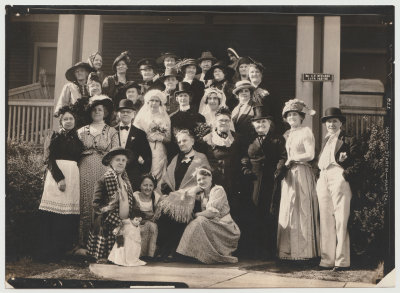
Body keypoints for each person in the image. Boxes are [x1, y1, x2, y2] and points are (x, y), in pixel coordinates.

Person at [155, 129, 210, 261]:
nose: (181, 143)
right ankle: (162, 249)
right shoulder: (176, 158)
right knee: (164, 210)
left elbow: (205, 180)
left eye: (184, 140)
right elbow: (167, 178)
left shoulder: (200, 158)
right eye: (179, 142)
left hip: (192, 197)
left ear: (192, 141)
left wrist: (191, 191)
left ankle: (173, 251)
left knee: (177, 212)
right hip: (175, 196)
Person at [240, 106, 287, 259]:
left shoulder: (277, 139)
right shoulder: (249, 139)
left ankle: (268, 251)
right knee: (252, 212)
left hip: (270, 179)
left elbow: (283, 156)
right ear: (254, 125)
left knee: (269, 211)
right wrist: (246, 169)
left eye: (264, 122)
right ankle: (252, 250)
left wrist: (279, 170)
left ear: (269, 123)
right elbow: (244, 156)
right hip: (252, 180)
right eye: (258, 123)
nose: (261, 125)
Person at [316, 107, 360, 271]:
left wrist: (345, 174)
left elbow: (358, 162)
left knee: (341, 219)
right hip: (323, 177)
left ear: (341, 122)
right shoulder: (326, 140)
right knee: (326, 219)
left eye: (334, 120)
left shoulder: (348, 140)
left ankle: (342, 261)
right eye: (328, 121)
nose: (331, 124)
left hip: (339, 177)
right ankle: (326, 260)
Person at [38, 106, 84, 261]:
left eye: (71, 119)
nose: (69, 121)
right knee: (52, 214)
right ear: (61, 121)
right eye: (66, 119)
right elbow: (48, 158)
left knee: (67, 215)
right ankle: (47, 253)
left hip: (73, 176)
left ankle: (63, 251)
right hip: (56, 175)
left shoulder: (77, 139)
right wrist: (59, 179)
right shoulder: (54, 136)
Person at [277, 99, 320, 261]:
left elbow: (310, 154)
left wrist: (293, 158)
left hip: (302, 172)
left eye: (295, 114)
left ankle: (304, 252)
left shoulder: (306, 132)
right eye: (289, 115)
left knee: (301, 208)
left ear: (301, 117)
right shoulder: (287, 134)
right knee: (290, 208)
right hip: (289, 174)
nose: (292, 118)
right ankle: (288, 251)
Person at [77, 95, 119, 250]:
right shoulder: (81, 131)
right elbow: (75, 151)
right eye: (94, 110)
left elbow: (115, 153)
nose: (97, 112)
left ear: (105, 112)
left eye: (100, 109)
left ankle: (101, 244)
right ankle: (82, 243)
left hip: (104, 169)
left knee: (102, 203)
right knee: (86, 202)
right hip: (85, 169)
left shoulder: (112, 131)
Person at [86, 147, 141, 264]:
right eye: (117, 160)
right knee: (110, 257)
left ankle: (121, 254)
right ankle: (105, 255)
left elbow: (132, 202)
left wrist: (134, 217)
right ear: (111, 162)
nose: (121, 162)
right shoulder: (104, 180)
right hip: (107, 222)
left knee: (124, 255)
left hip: (124, 221)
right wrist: (111, 216)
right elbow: (96, 204)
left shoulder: (126, 181)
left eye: (123, 160)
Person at [176, 166, 241, 264]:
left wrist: (197, 214)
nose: (202, 181)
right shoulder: (202, 194)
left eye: (204, 178)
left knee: (199, 221)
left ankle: (184, 254)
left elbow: (212, 213)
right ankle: (191, 253)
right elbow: (186, 197)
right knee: (197, 221)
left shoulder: (218, 190)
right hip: (213, 224)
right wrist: (194, 189)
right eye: (199, 180)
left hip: (225, 227)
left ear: (211, 178)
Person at [200, 107, 241, 216]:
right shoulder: (207, 139)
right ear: (215, 122)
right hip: (215, 181)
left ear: (230, 122)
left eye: (226, 120)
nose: (223, 123)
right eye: (220, 120)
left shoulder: (237, 138)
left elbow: (242, 156)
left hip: (233, 181)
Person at [133, 89, 171, 182]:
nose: (154, 103)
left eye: (157, 101)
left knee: (157, 169)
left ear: (160, 103)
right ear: (148, 102)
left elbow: (169, 139)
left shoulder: (164, 117)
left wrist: (160, 137)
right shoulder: (141, 117)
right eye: (152, 100)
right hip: (143, 146)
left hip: (158, 148)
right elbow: (134, 135)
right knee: (145, 170)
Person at [115, 99, 152, 191]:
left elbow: (147, 156)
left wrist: (142, 175)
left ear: (133, 114)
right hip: (114, 172)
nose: (125, 114)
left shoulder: (140, 133)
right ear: (118, 114)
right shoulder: (111, 131)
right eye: (122, 112)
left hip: (133, 174)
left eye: (128, 112)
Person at [132, 174, 162, 259]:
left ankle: (149, 254)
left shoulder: (155, 197)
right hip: (137, 223)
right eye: (145, 185)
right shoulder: (135, 196)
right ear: (140, 186)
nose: (148, 188)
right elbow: (134, 213)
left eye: (151, 185)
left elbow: (157, 214)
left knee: (152, 226)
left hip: (151, 223)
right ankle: (139, 253)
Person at [231, 80, 261, 145]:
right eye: (241, 91)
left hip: (251, 142)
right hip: (236, 143)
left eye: (246, 91)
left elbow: (260, 127)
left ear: (250, 93)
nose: (244, 93)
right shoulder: (235, 109)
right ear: (237, 95)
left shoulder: (256, 106)